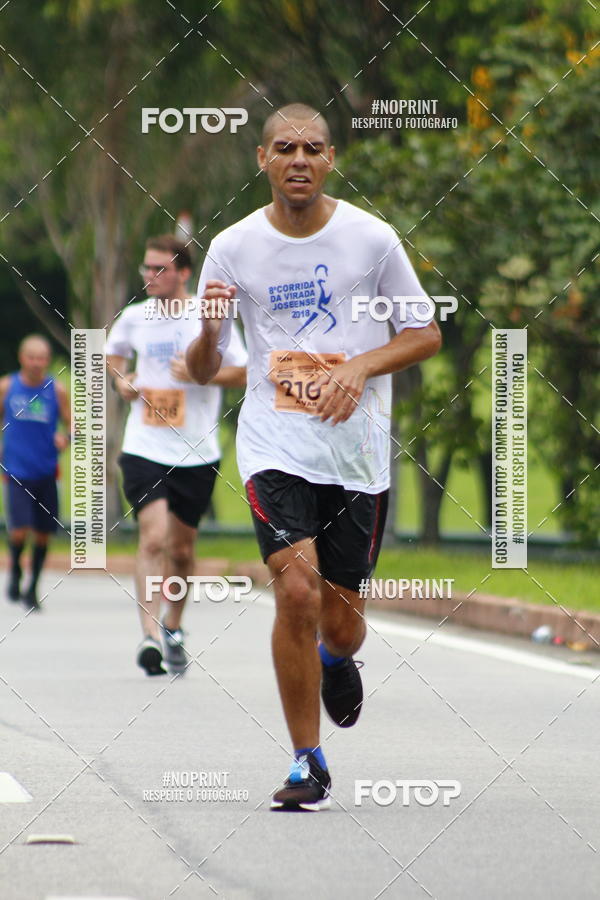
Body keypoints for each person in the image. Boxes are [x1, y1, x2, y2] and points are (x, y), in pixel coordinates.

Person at [186, 103, 442, 811]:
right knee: (295, 591)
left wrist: (359, 366)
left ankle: (335, 657)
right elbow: (204, 369)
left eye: (312, 148)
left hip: (356, 455)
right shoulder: (233, 247)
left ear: (331, 159)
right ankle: (307, 760)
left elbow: (425, 333)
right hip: (275, 446)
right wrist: (208, 332)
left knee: (342, 622)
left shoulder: (372, 238)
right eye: (284, 148)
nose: (298, 159)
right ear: (262, 159)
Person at [105, 235, 247, 676]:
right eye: (146, 268)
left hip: (197, 451)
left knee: (182, 551)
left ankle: (173, 625)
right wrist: (121, 381)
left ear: (183, 273)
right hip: (143, 446)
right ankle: (148, 636)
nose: (149, 275)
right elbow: (111, 356)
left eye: (159, 268)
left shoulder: (208, 316)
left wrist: (203, 373)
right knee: (152, 539)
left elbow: (244, 371)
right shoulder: (135, 317)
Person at [0, 335, 71, 611]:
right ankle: (16, 569)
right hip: (17, 470)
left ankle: (32, 588)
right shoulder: (8, 387)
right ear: (22, 358)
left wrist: (66, 438)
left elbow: (71, 423)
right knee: (19, 531)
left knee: (43, 534)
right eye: (32, 358)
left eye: (41, 358)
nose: (36, 363)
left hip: (46, 470)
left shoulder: (56, 390)